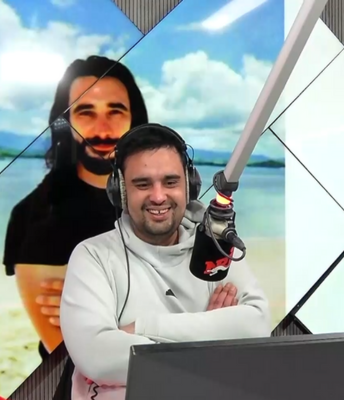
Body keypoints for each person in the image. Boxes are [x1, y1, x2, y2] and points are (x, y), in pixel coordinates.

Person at [59, 123, 271, 399]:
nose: (158, 197)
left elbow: (257, 329)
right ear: (120, 191)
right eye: (142, 184)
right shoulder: (93, 256)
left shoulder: (215, 245)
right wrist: (214, 340)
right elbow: (97, 357)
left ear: (189, 185)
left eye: (170, 182)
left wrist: (143, 329)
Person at [3, 55, 149, 359]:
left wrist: (99, 304)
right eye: (85, 112)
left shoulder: (166, 203)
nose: (103, 129)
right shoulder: (35, 217)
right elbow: (79, 358)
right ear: (65, 123)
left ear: (134, 120)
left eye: (115, 111)